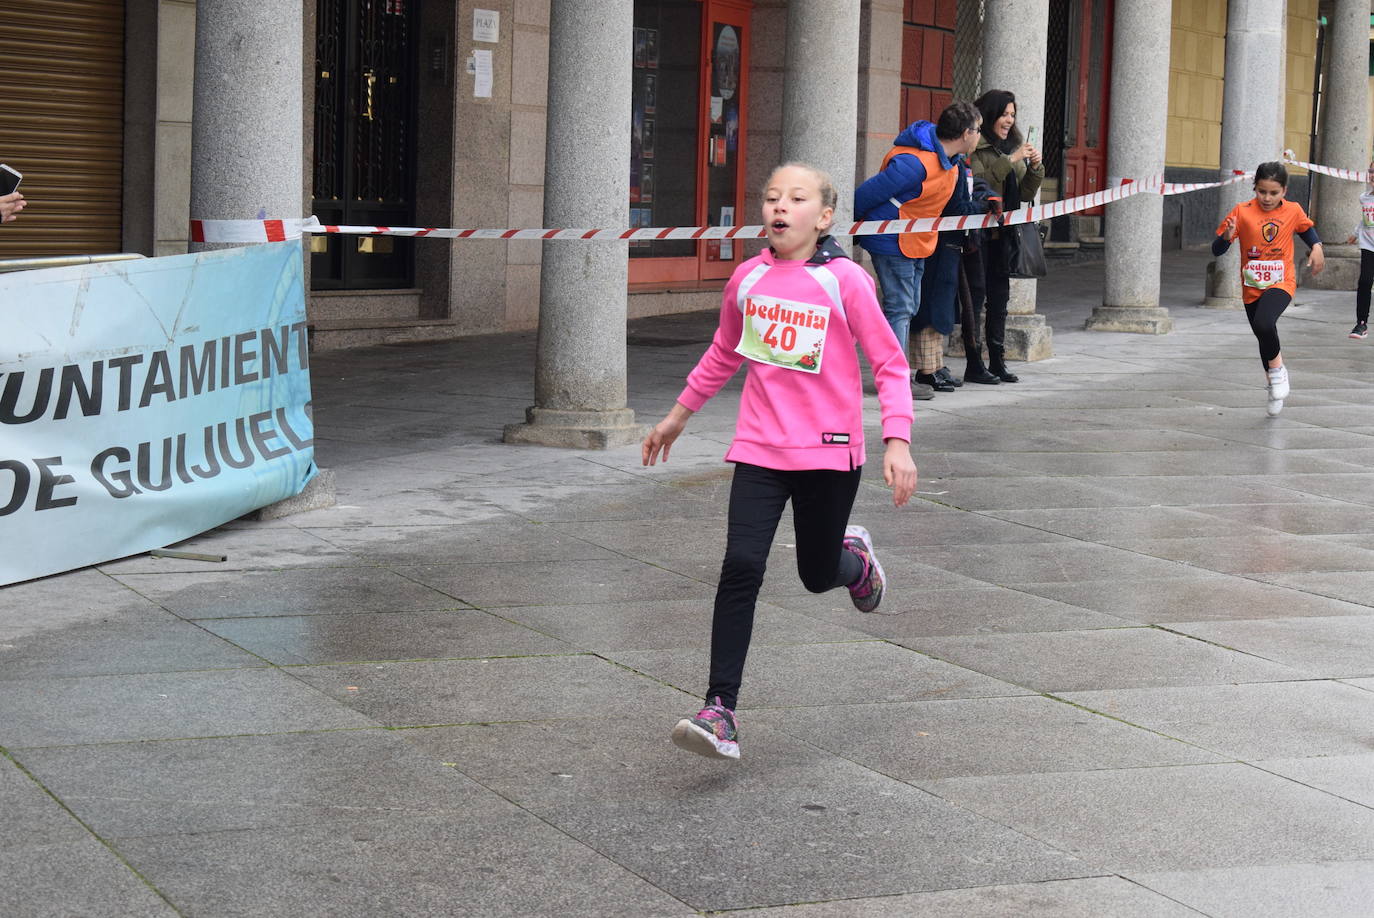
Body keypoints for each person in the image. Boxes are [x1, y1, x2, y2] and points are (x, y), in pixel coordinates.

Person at [642, 162, 917, 761]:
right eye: (771, 198)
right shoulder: (746, 279)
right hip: (761, 448)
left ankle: (855, 560)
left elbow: (890, 364)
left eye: (795, 199)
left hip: (829, 452)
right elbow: (723, 352)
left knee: (816, 574)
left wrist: (897, 440)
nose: (779, 208)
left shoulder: (845, 281)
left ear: (822, 218)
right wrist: (678, 415)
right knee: (741, 564)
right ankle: (720, 710)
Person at [854, 102, 985, 399]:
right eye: (978, 130)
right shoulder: (915, 164)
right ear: (966, 133)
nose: (979, 136)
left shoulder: (950, 162)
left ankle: (894, 375)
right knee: (900, 308)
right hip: (892, 240)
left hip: (916, 240)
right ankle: (893, 381)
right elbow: (863, 197)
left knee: (907, 307)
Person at [1213, 161, 1325, 416]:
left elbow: (1307, 230)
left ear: (1284, 191)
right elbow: (1217, 250)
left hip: (1281, 282)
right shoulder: (1241, 212)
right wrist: (1226, 237)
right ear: (1255, 188)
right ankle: (1272, 384)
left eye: (1274, 193)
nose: (1267, 198)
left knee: (1264, 324)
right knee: (1264, 334)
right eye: (1262, 191)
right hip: (1252, 287)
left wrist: (1317, 246)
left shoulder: (1293, 210)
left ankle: (1278, 372)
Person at [964, 89, 1045, 384]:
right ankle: (974, 362)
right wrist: (1011, 160)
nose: (1009, 120)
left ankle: (998, 361)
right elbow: (980, 182)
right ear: (990, 115)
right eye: (1004, 114)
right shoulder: (976, 145)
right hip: (979, 235)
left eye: (1013, 115)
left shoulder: (1011, 147)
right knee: (976, 297)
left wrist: (1035, 167)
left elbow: (1024, 192)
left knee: (1000, 299)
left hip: (1005, 236)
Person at [1344, 161, 1374, 339]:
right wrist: (1355, 234)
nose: (1372, 175)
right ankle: (1361, 324)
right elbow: (1365, 220)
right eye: (1371, 171)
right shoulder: (1365, 197)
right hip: (1368, 245)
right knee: (1364, 281)